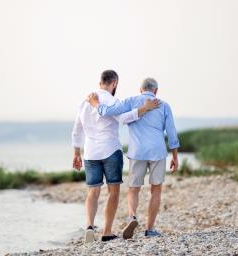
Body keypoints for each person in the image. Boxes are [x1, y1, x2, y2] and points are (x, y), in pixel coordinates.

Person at [72, 70, 160, 243]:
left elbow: (77, 129)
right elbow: (125, 118)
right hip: (111, 150)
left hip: (90, 152)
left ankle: (89, 226)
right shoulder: (113, 101)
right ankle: (106, 231)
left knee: (93, 191)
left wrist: (76, 152)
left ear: (100, 83)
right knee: (113, 192)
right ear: (114, 84)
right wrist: (145, 108)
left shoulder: (85, 101)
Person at [87, 77, 179, 239]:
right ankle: (150, 229)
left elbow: (110, 112)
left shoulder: (130, 101)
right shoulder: (164, 105)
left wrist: (96, 105)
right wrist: (175, 156)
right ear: (156, 91)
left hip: (137, 152)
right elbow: (171, 133)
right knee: (156, 189)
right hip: (157, 151)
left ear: (140, 89)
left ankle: (132, 216)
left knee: (134, 189)